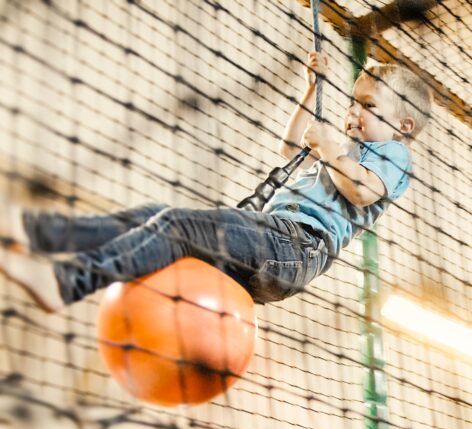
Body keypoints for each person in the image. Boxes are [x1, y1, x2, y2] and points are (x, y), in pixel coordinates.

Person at [0, 52, 432, 312]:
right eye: (353, 102)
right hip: (270, 242)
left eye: (368, 105)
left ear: (403, 124)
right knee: (153, 218)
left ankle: (64, 283)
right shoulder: (344, 149)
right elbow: (290, 147)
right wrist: (311, 90)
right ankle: (39, 231)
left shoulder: (394, 155)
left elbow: (361, 190)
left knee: (177, 226)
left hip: (297, 248)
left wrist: (333, 149)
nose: (353, 112)